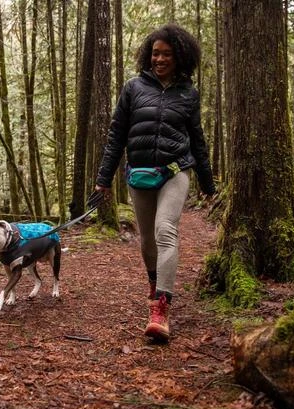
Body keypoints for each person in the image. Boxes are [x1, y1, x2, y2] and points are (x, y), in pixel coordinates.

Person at [95, 24, 216, 342]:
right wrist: (103, 180)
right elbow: (116, 135)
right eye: (155, 53)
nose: (160, 59)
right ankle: (154, 282)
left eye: (167, 54)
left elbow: (198, 140)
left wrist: (208, 184)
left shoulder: (188, 94)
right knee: (147, 240)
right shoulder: (133, 88)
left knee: (165, 230)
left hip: (175, 171)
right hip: (139, 174)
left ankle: (160, 308)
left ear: (180, 57)